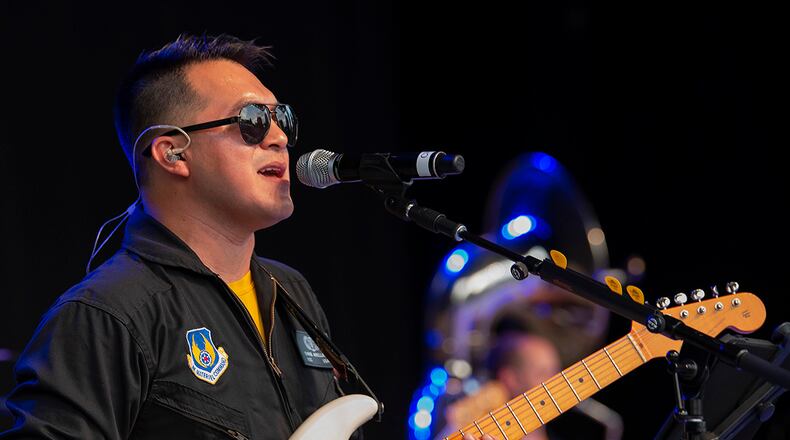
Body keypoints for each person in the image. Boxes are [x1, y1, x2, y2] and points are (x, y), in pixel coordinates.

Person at [0, 34, 351, 439]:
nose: (280, 138)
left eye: (282, 118)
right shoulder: (106, 313)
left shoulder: (292, 292)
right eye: (253, 121)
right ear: (172, 153)